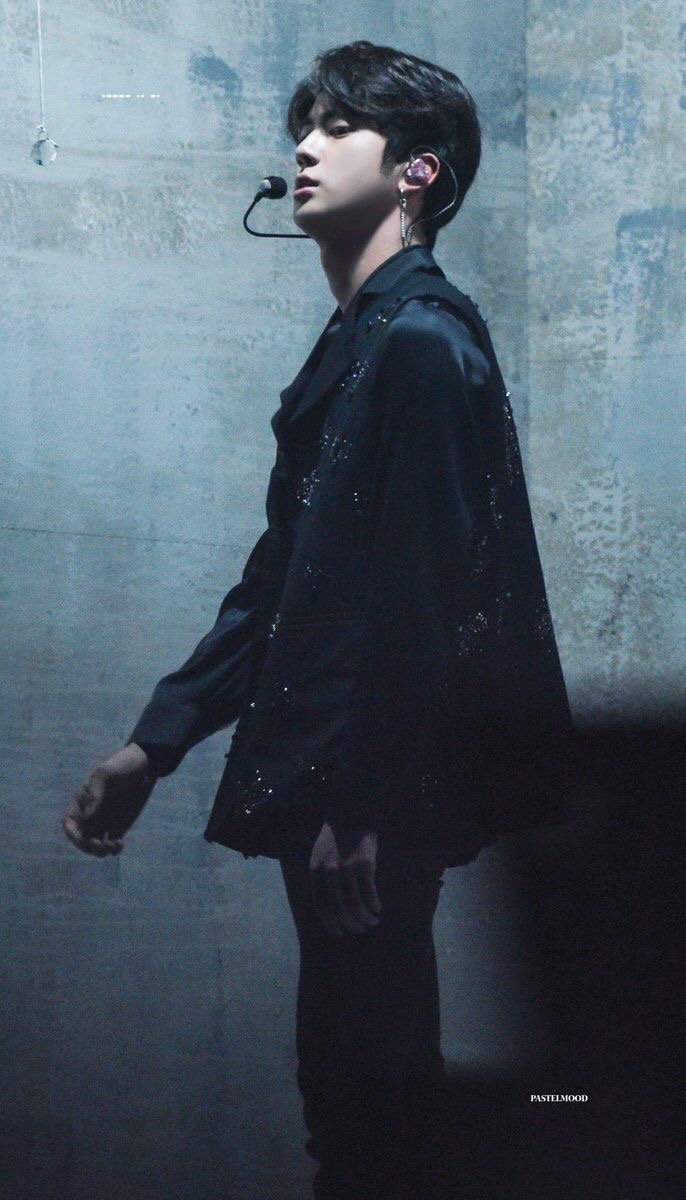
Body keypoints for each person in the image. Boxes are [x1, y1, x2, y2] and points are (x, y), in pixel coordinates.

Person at [63, 40, 571, 1200]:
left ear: (416, 171)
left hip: (368, 791)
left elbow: (422, 602)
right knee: (350, 1092)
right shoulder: (361, 340)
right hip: (344, 781)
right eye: (304, 123)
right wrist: (155, 743)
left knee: (369, 1102)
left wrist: (365, 804)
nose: (304, 144)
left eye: (339, 126)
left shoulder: (421, 342)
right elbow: (290, 578)